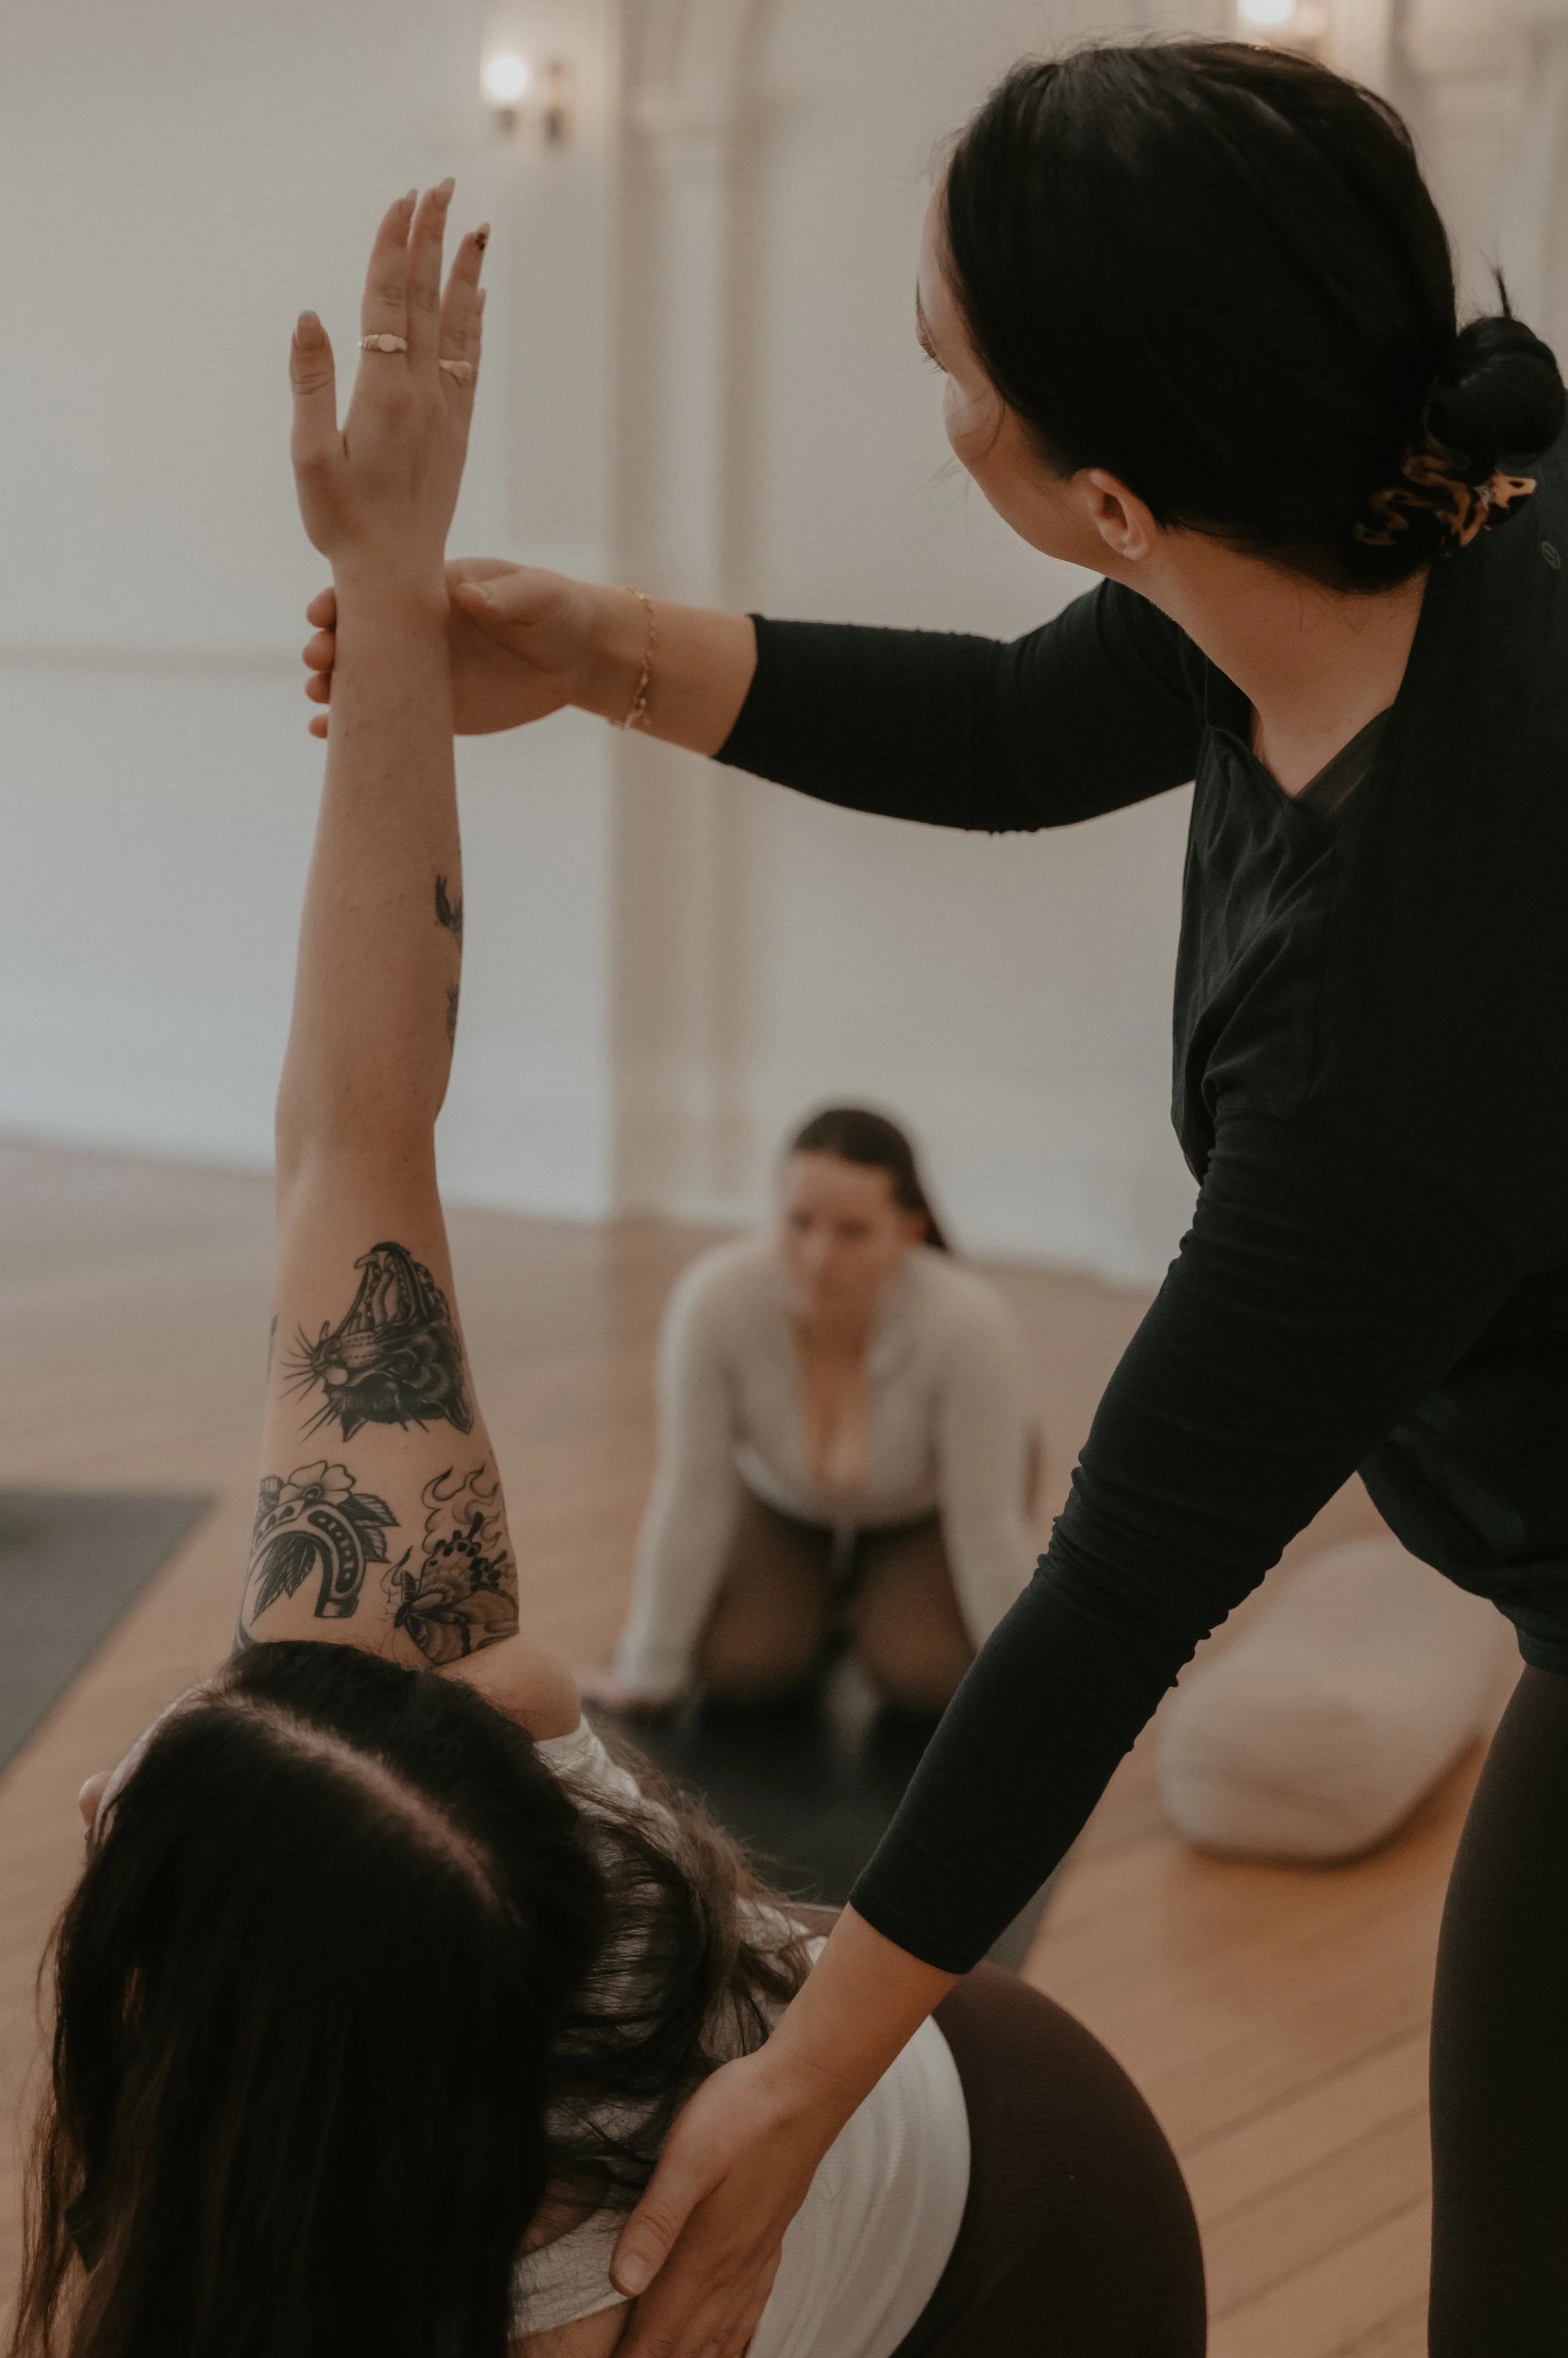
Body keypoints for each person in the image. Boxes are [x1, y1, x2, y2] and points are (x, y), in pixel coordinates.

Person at [302, 36, 1568, 2358]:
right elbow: (1003, 730)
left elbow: (1106, 1595)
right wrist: (587, 648)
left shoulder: (1405, 1000)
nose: (928, 389)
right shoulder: (1415, 525)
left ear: (1106, 498)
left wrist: (790, 2090)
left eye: (945, 369)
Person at [10, 184, 1208, 2358]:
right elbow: (355, 1127)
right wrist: (387, 590)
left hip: (1039, 2245)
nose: (107, 1822)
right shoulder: (384, 1638)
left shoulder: (593, 2297)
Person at [585, 1104, 1038, 1718]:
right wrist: (649, 1674)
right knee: (742, 1670)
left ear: (908, 1231)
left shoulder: (969, 1325)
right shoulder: (713, 1302)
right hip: (785, 1501)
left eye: (853, 1231)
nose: (818, 1256)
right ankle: (821, 1604)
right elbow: (692, 1492)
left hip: (921, 1510)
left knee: (926, 1679)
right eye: (798, 1222)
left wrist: (1026, 1705)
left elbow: (987, 1530)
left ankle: (876, 1602)